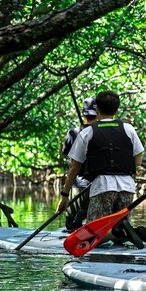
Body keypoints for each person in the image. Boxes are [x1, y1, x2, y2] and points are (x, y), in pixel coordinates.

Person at [57, 90, 146, 247]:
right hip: (127, 187)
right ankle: (121, 231)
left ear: (97, 109)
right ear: (117, 110)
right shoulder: (129, 129)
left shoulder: (87, 133)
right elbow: (138, 161)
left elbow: (74, 167)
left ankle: (119, 232)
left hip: (102, 187)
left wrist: (65, 195)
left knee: (92, 235)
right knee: (117, 234)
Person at [61, 97, 97, 230]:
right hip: (98, 185)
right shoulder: (101, 134)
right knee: (96, 222)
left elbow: (67, 154)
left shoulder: (73, 132)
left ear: (83, 112)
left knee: (70, 225)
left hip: (78, 185)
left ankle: (76, 220)